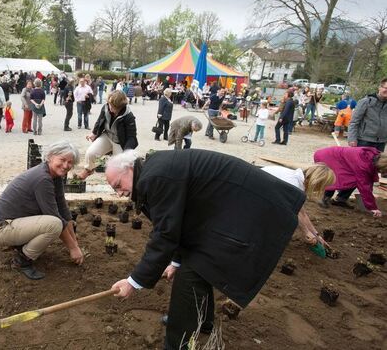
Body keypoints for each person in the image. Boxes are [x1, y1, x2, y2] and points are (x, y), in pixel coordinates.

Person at [107, 149, 305, 350]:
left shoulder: (155, 177)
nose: (120, 193)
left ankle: (177, 344)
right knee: (198, 266)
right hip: (226, 212)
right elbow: (178, 222)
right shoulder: (154, 171)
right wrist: (176, 260)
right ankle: (204, 322)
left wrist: (134, 281)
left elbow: (164, 235)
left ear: (130, 168)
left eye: (118, 185)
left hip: (249, 211)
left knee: (191, 273)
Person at [0, 141, 84, 280]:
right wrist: (73, 248)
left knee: (56, 221)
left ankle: (21, 246)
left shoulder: (54, 175)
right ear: (50, 156)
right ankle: (22, 260)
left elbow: (63, 209)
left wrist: (75, 244)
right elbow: (55, 217)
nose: (66, 166)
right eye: (62, 160)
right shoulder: (43, 179)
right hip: (1, 228)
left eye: (70, 162)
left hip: (13, 222)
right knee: (54, 224)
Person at [261, 164, 336, 248]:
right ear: (318, 182)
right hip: (253, 194)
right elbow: (295, 212)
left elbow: (301, 212)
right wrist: (306, 232)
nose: (323, 189)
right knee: (283, 215)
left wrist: (317, 235)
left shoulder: (298, 179)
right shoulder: (293, 184)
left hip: (262, 193)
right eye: (324, 186)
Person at [77, 90, 137, 179]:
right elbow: (99, 120)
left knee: (120, 166)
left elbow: (131, 137)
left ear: (121, 106)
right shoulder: (106, 107)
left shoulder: (129, 116)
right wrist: (94, 133)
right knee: (91, 153)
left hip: (120, 142)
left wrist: (126, 154)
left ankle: (121, 185)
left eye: (114, 107)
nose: (111, 109)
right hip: (107, 135)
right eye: (110, 105)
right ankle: (88, 170)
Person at [314, 146, 386, 217]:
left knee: (352, 179)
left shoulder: (375, 156)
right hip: (327, 156)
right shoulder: (363, 164)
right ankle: (324, 198)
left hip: (338, 157)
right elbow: (364, 186)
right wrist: (372, 207)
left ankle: (340, 199)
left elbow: (368, 180)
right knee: (334, 177)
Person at [348, 78, 387, 152]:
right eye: (386, 88)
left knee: (376, 163)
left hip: (381, 143)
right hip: (364, 141)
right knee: (360, 163)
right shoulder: (365, 102)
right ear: (380, 88)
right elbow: (354, 122)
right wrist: (352, 138)